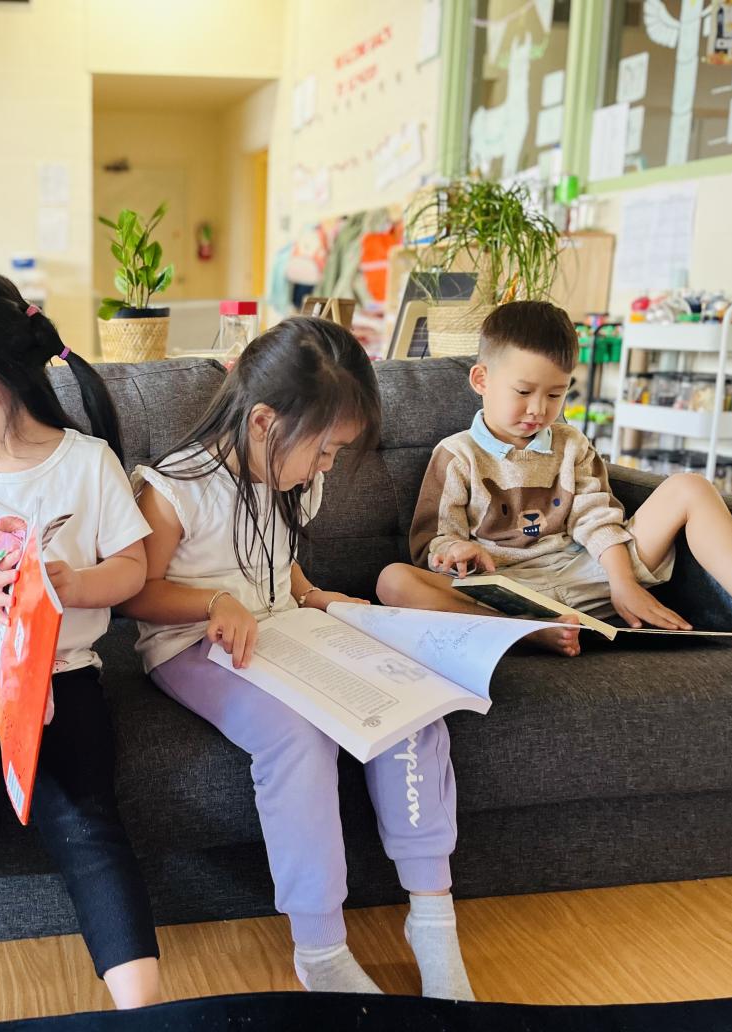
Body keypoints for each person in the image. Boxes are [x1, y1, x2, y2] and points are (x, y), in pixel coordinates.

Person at [120, 317, 475, 1000]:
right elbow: (136, 594)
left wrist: (317, 596)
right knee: (296, 737)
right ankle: (319, 948)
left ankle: (433, 921)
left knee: (412, 705)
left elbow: (279, 567)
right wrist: (211, 604)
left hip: (285, 632)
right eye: (325, 450)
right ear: (262, 421)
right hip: (194, 646)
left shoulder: (286, 478)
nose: (328, 466)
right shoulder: (173, 489)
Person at [0, 274, 161, 1030]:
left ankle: (145, 1012)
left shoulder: (87, 463)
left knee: (88, 823)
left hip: (62, 672)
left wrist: (72, 583)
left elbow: (133, 569)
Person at [377, 300, 732, 656]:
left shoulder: (571, 444)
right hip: (507, 593)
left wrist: (623, 583)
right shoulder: (457, 455)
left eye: (555, 394)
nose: (538, 409)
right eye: (523, 392)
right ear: (482, 380)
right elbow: (433, 544)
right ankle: (525, 633)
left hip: (589, 574)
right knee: (392, 581)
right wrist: (455, 551)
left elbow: (596, 518)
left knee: (691, 487)